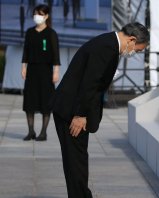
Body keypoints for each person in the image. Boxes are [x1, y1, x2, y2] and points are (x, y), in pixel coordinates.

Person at [50, 22, 149, 198]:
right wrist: (80, 115)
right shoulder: (106, 49)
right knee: (76, 161)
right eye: (138, 50)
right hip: (72, 112)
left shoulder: (108, 44)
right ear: (132, 40)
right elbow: (90, 84)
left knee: (77, 160)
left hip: (72, 108)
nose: (135, 53)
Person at [21, 4, 60, 141]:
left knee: (45, 101)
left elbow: (56, 54)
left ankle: (43, 132)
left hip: (46, 71)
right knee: (29, 101)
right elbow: (26, 51)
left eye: (41, 14)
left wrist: (56, 71)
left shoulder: (51, 33)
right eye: (36, 14)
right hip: (32, 70)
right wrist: (23, 67)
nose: (37, 17)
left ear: (47, 16)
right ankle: (31, 131)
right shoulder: (30, 32)